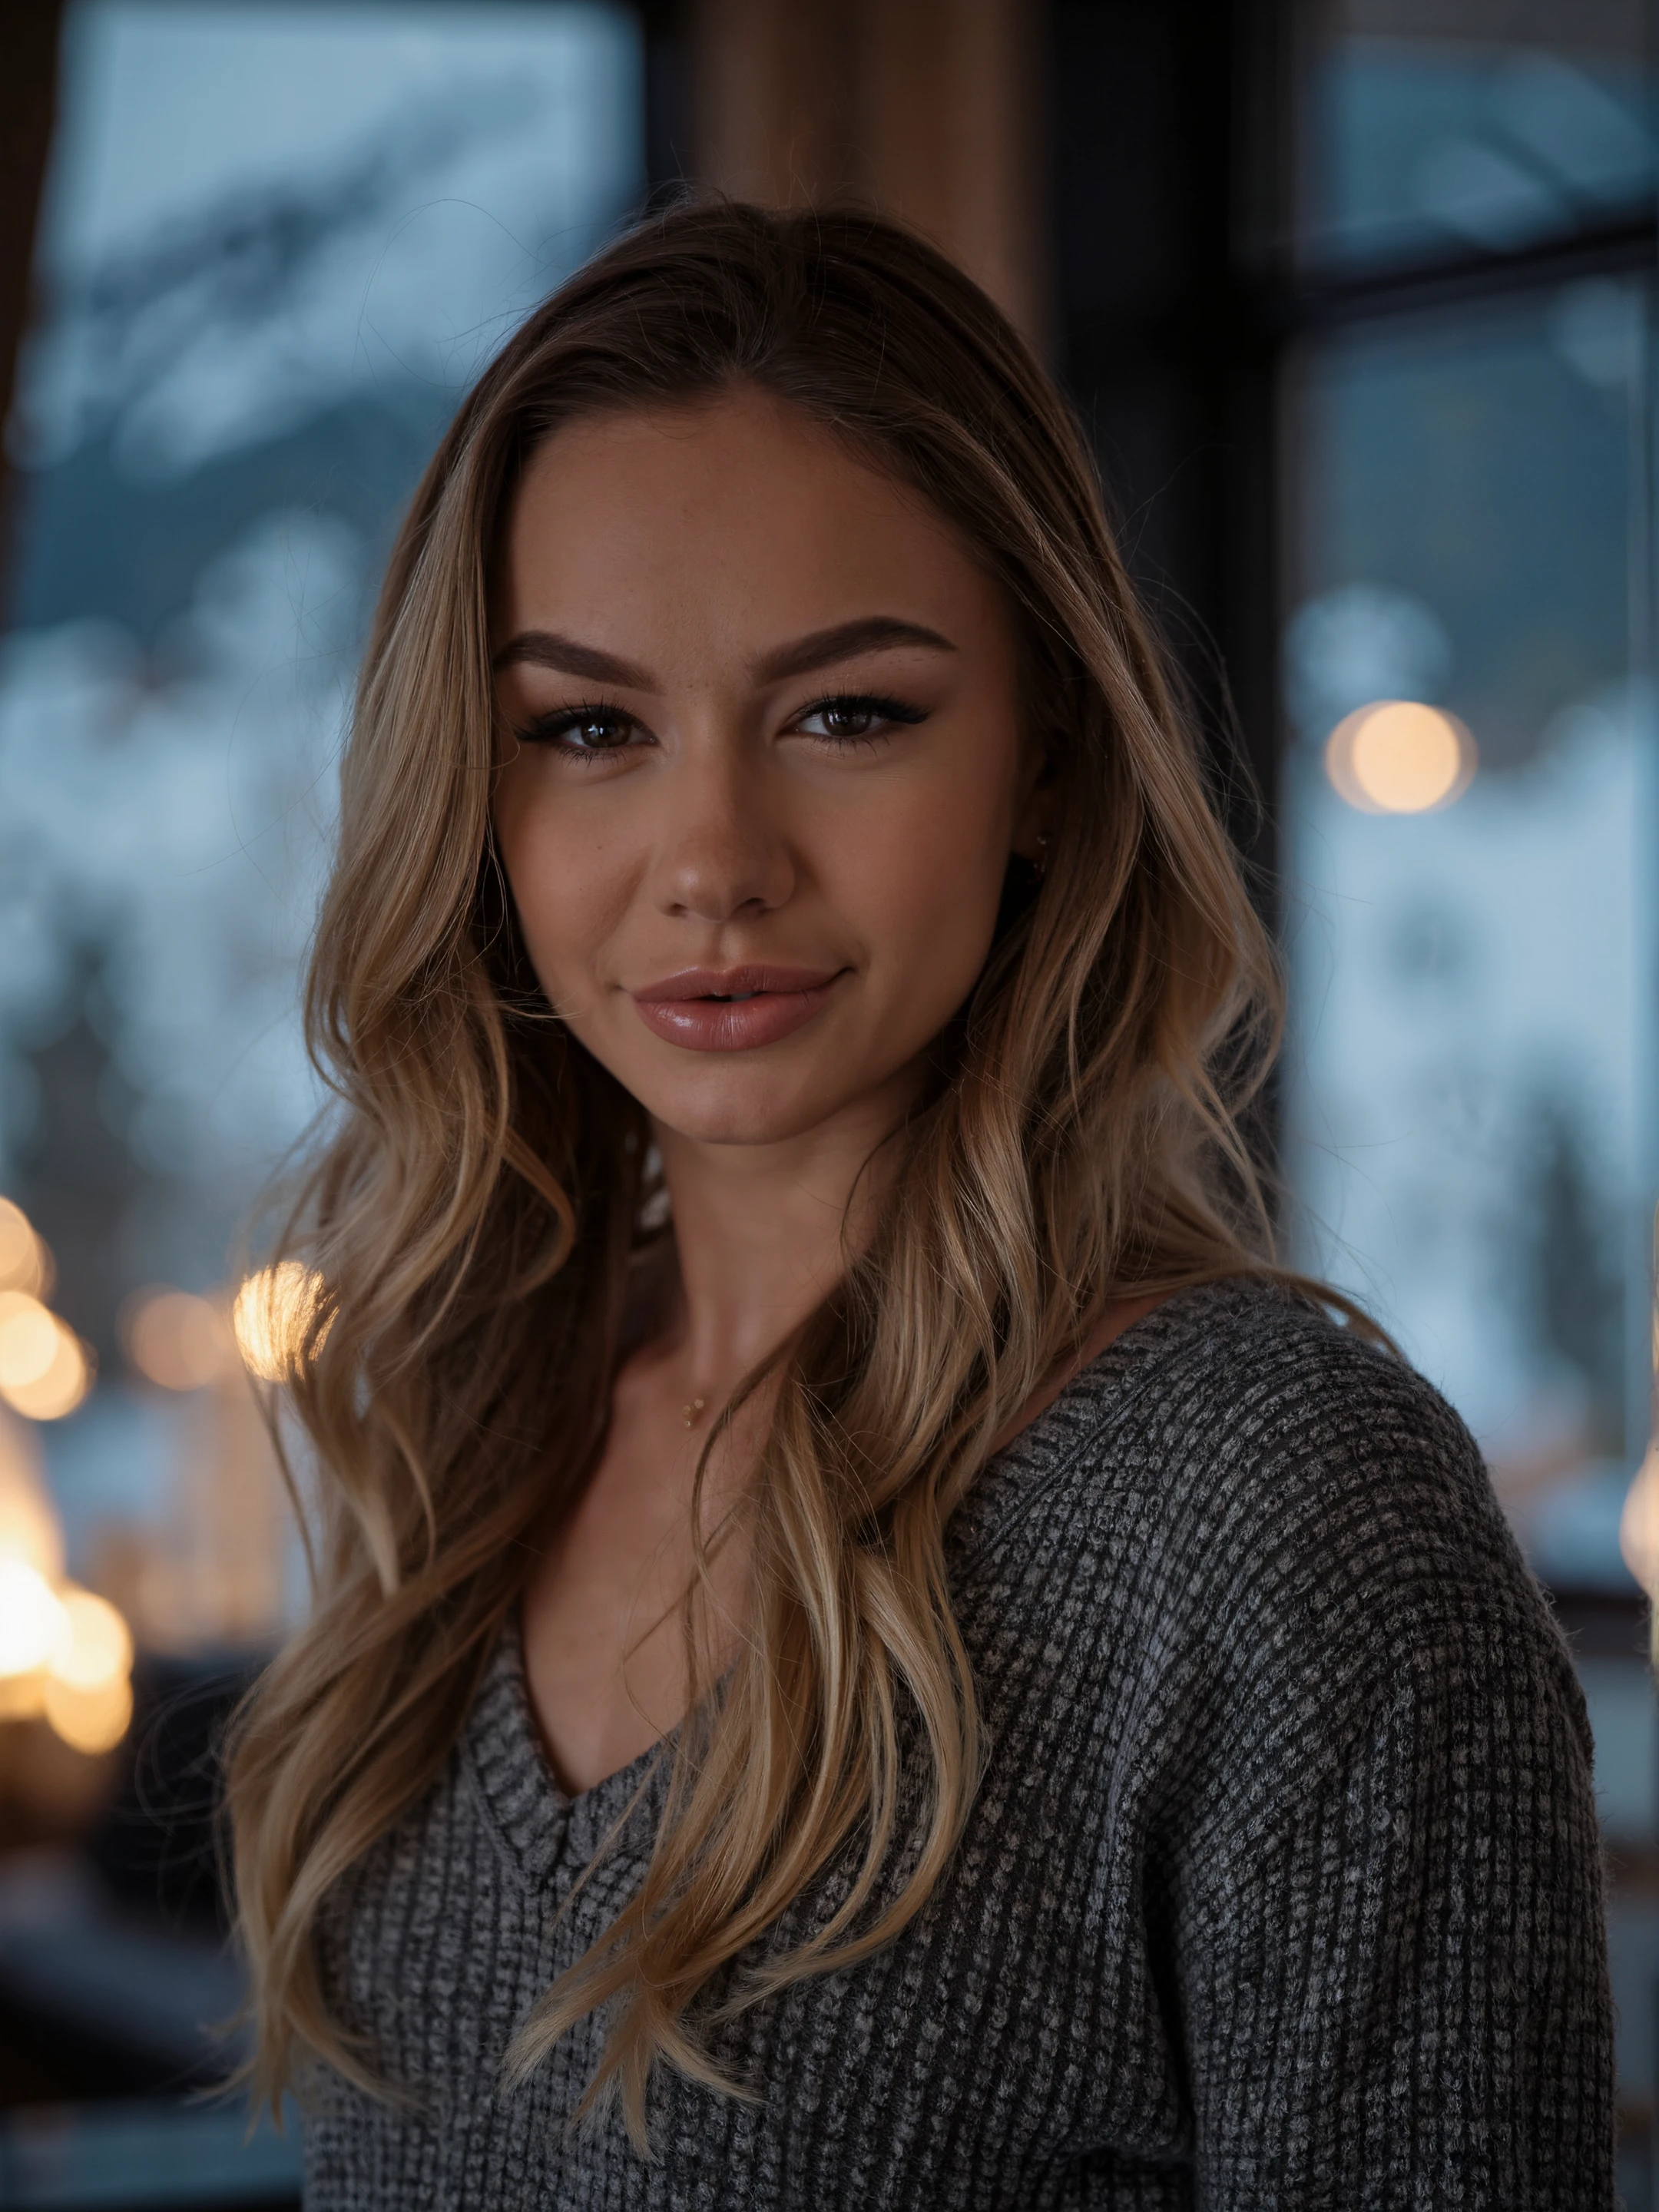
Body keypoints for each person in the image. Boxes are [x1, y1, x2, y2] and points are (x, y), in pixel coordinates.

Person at [227, 203, 1614, 2208]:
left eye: (848, 713)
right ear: (481, 792)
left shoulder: (1281, 1514)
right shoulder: (467, 1435)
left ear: (1047, 757)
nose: (713, 858)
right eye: (590, 730)